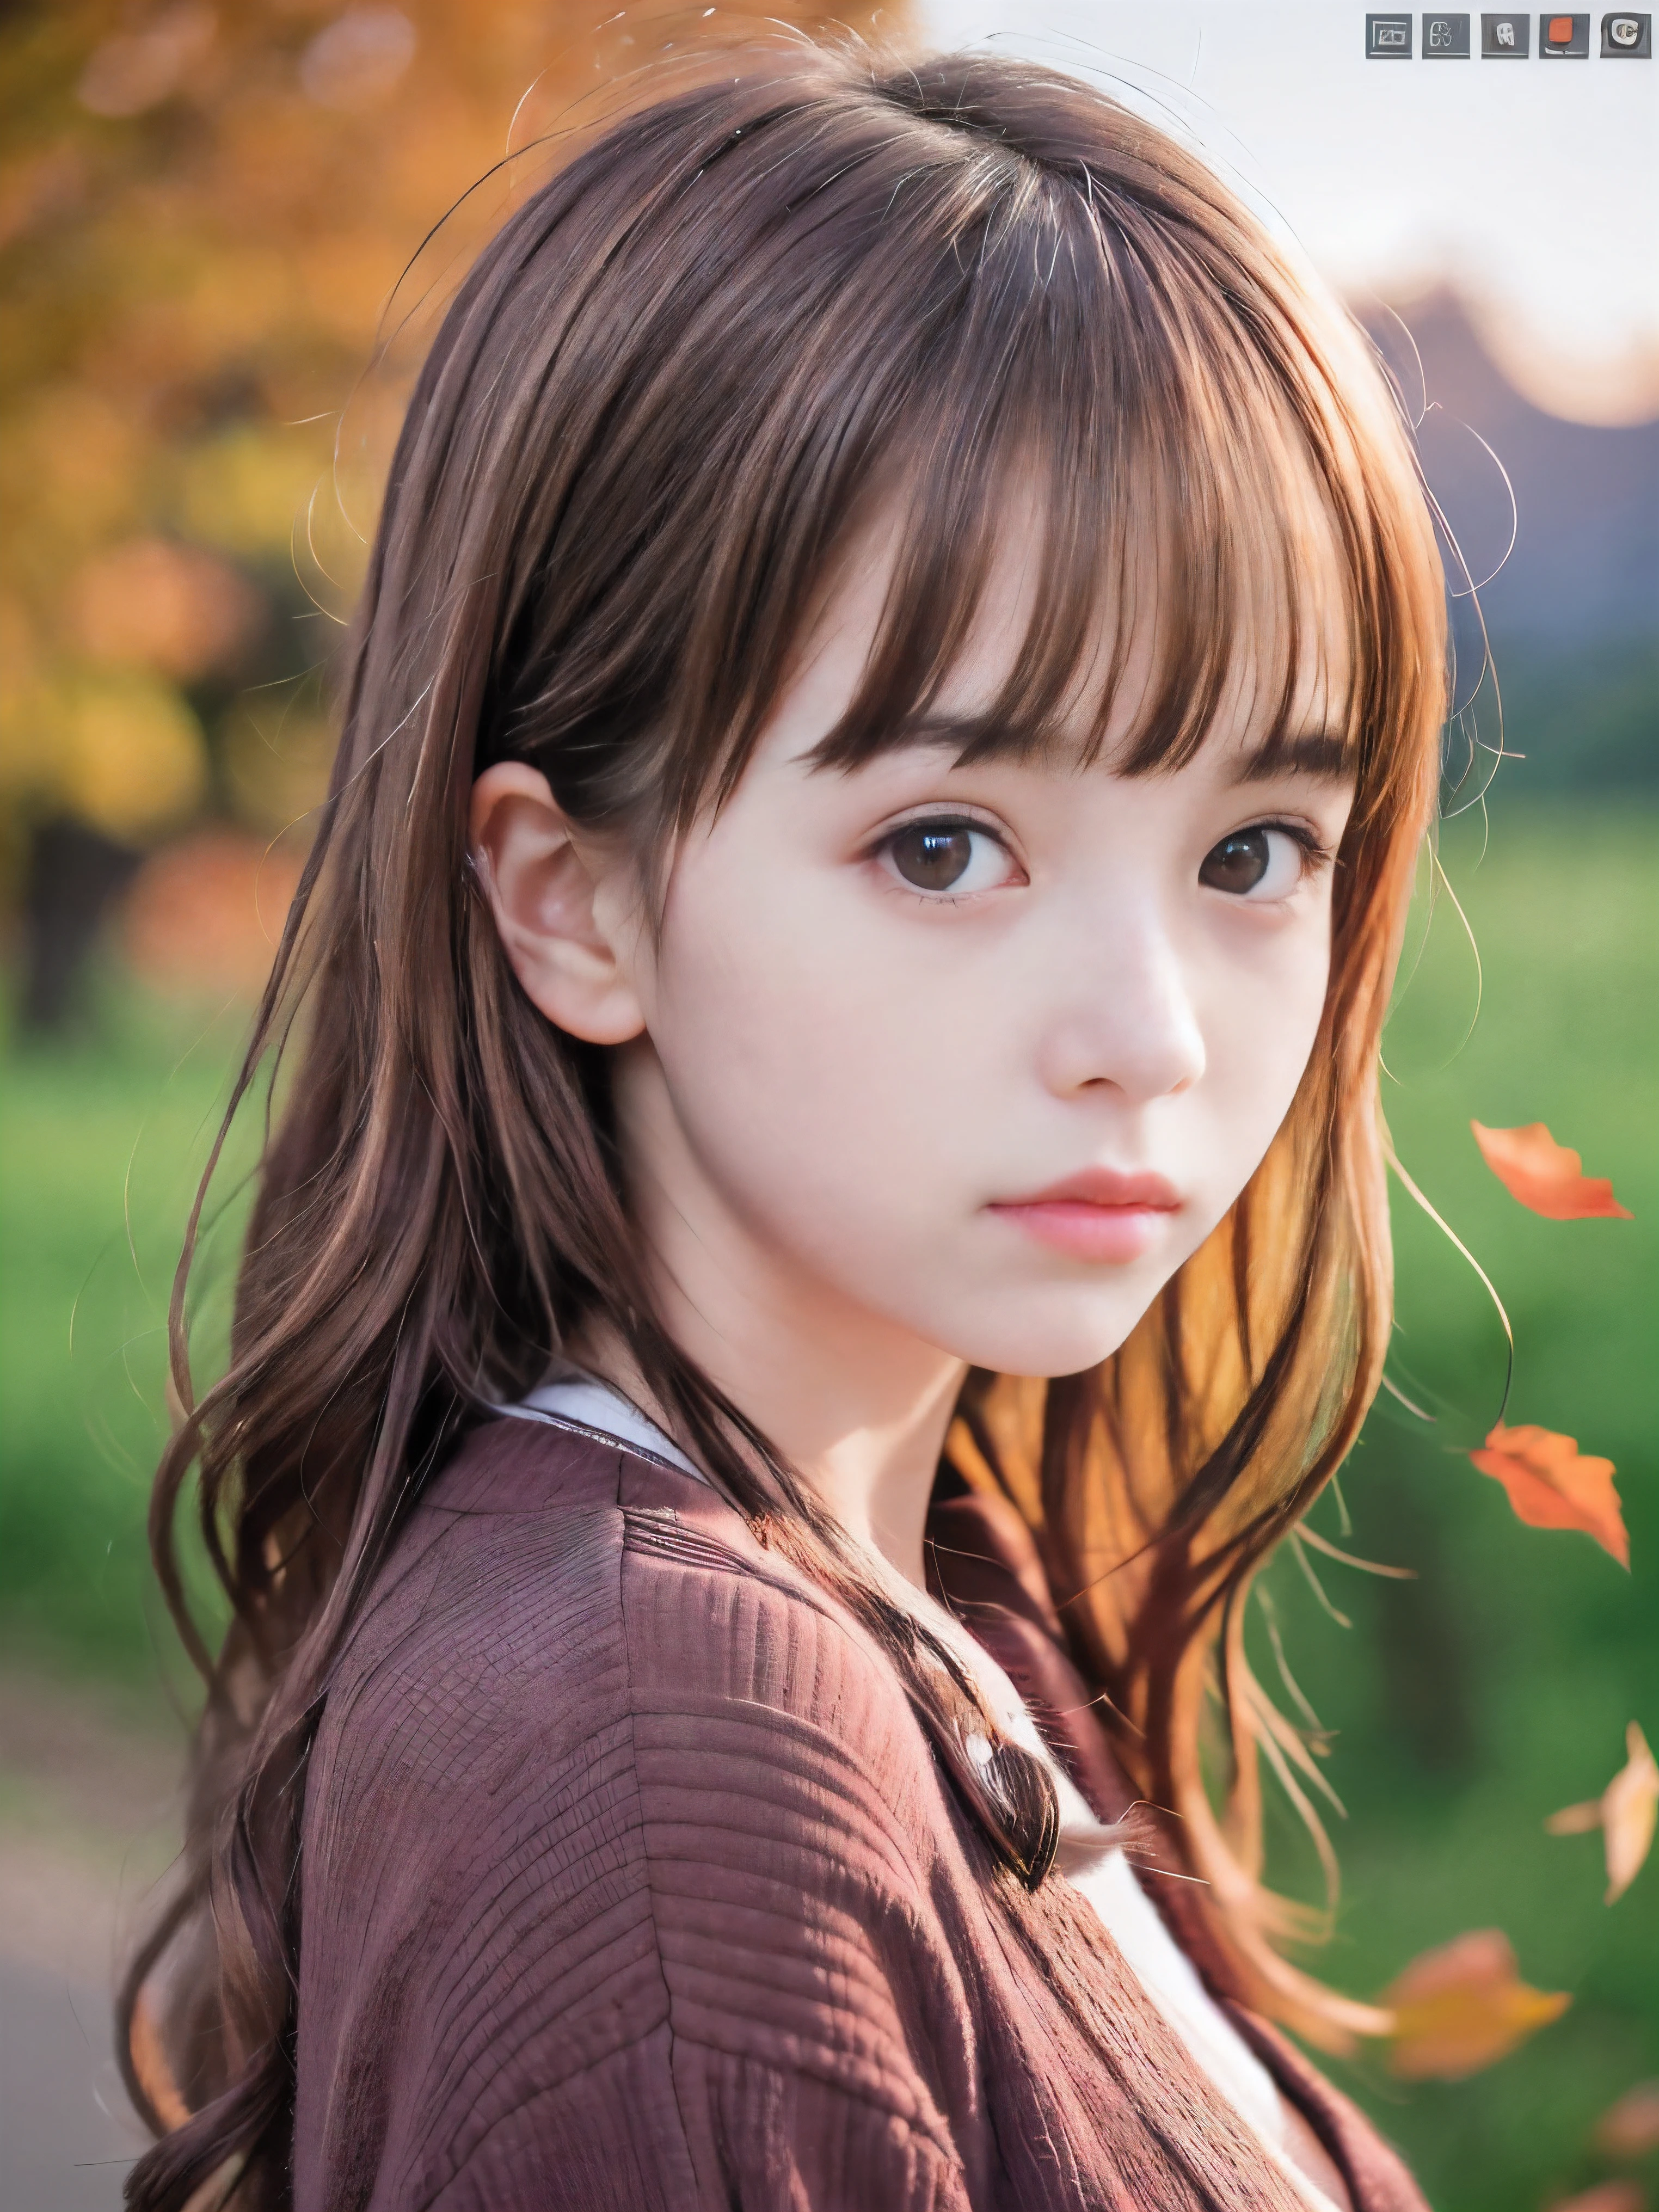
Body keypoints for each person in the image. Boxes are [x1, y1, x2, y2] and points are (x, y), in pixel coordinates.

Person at [120, 42, 1449, 2212]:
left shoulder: (920, 1595)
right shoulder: (676, 1777)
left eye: (1252, 848)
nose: (1151, 1036)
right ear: (577, 900)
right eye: (944, 844)